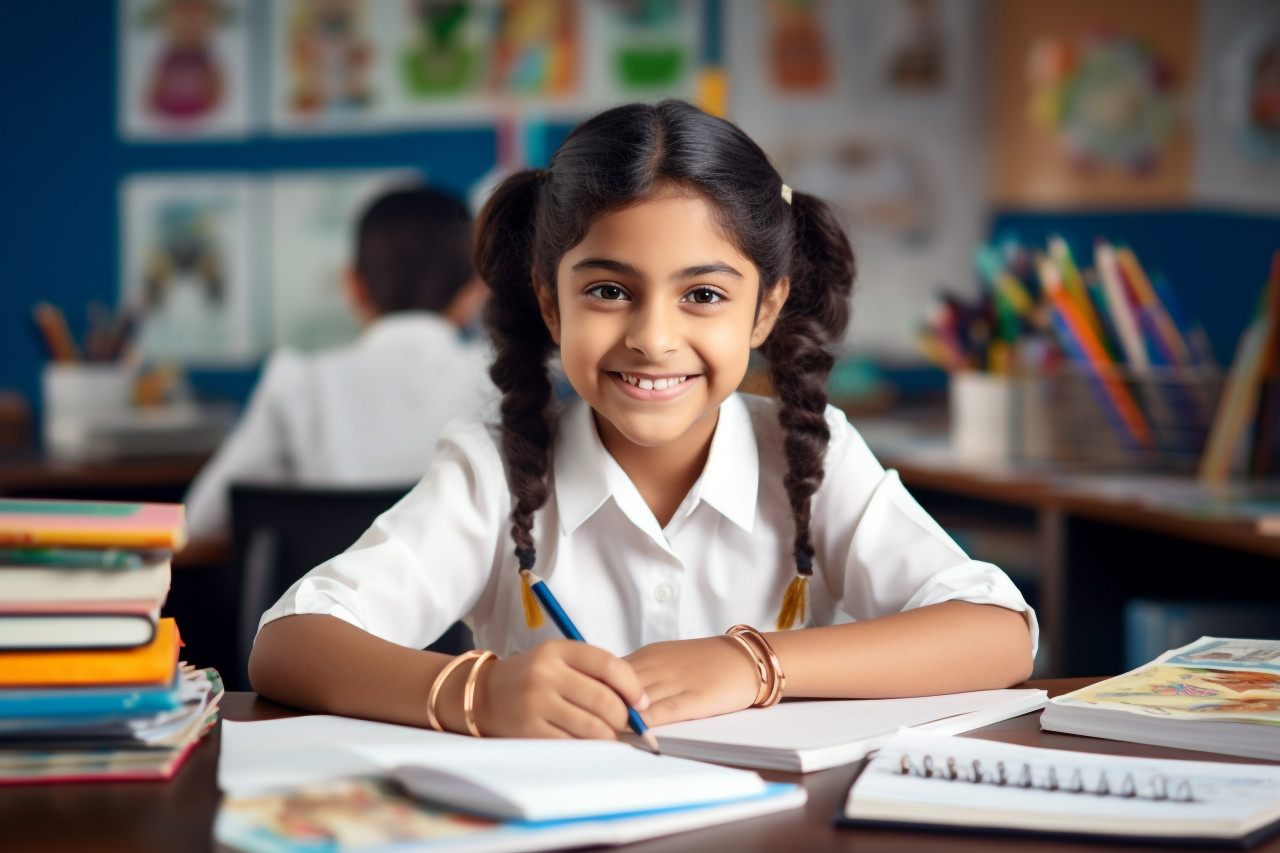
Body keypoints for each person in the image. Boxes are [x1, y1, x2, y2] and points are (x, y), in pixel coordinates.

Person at [249, 101, 1037, 742]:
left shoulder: (813, 455)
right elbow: (287, 642)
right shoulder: (491, 468)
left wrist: (753, 663)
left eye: (702, 294)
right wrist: (475, 690)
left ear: (766, 307)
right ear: (550, 300)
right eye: (608, 290)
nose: (653, 338)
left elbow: (1000, 632)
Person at [183, 186, 491, 543]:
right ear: (476, 290)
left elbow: (200, 521)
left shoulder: (299, 383)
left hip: (328, 597)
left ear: (353, 286)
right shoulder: (509, 381)